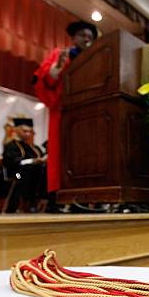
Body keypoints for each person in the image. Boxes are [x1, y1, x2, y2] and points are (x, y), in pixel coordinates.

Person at [33, 20, 98, 195]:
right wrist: (55, 72)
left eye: (90, 37)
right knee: (62, 154)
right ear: (73, 37)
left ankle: (85, 195)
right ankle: (59, 196)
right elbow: (44, 82)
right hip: (64, 113)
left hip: (88, 114)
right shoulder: (60, 55)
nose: (86, 39)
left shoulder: (95, 60)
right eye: (82, 35)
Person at [2, 118, 47, 213]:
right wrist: (31, 161)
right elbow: (10, 162)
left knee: (42, 170)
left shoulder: (32, 147)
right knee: (25, 173)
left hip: (31, 172)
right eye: (25, 131)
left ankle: (37, 201)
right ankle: (24, 204)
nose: (28, 134)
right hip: (15, 174)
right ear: (17, 130)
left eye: (30, 132)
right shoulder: (12, 145)